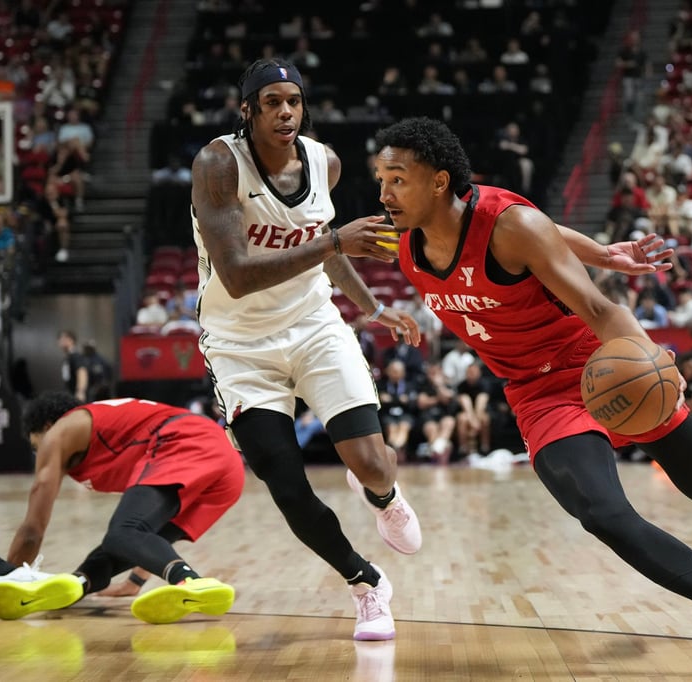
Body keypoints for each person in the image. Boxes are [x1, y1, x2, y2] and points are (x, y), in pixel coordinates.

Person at [372, 117, 692, 681]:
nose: (383, 193)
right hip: (536, 393)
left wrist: (652, 357)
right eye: (379, 179)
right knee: (602, 513)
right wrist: (604, 251)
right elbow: (330, 248)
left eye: (396, 179)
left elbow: (598, 304)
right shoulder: (402, 240)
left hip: (602, 366)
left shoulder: (506, 225)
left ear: (438, 182)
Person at [189, 58, 423, 641]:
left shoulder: (326, 162)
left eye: (293, 100)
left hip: (315, 326)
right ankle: (366, 584)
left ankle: (384, 496)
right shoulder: (219, 164)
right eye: (272, 101)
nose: (286, 111)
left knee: (370, 462)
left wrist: (370, 308)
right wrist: (334, 240)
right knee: (286, 484)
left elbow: (325, 247)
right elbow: (239, 275)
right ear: (247, 110)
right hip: (241, 345)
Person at [0, 393, 245, 624]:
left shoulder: (59, 432)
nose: (41, 454)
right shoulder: (105, 426)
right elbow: (151, 536)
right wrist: (135, 581)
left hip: (188, 440)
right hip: (227, 467)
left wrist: (5, 579)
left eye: (37, 446)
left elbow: (32, 530)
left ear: (47, 427)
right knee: (125, 539)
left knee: (122, 533)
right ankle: (76, 584)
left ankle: (190, 581)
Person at [57, 330, 88, 401]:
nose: (60, 341)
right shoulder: (68, 357)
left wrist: (80, 392)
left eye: (62, 339)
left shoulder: (75, 356)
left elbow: (82, 372)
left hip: (76, 395)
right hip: (69, 393)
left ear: (70, 340)